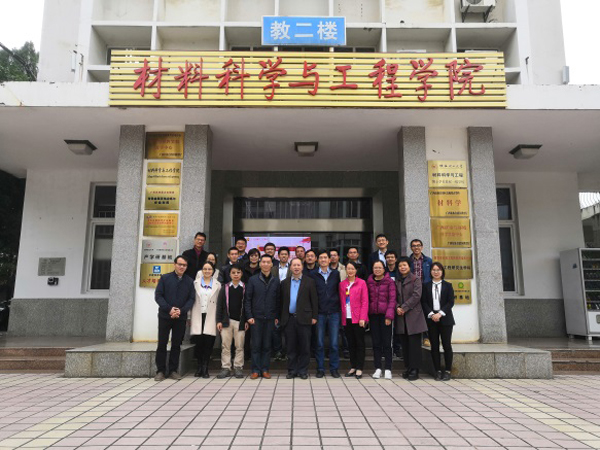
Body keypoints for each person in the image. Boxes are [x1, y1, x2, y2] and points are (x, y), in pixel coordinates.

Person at [154, 255, 195, 381]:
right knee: (162, 343)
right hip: (165, 316)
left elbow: (191, 299)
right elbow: (158, 296)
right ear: (175, 264)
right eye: (180, 264)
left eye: (184, 265)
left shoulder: (189, 281)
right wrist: (169, 309)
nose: (182, 267)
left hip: (180, 318)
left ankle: (173, 370)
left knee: (176, 344)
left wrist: (181, 311)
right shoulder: (165, 278)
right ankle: (160, 371)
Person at [280, 258, 318, 379]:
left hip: (305, 318)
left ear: (302, 267)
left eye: (298, 265)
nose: (296, 267)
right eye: (294, 265)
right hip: (289, 319)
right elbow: (281, 302)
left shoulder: (310, 282)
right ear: (290, 267)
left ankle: (303, 371)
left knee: (304, 347)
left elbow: (314, 300)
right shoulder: (284, 283)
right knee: (290, 347)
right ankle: (292, 370)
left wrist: (314, 316)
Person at [244, 255, 281, 379]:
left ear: (272, 265)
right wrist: (249, 316)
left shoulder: (276, 281)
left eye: (268, 262)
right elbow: (248, 299)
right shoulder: (253, 280)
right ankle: (255, 370)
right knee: (256, 345)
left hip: (270, 318)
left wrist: (276, 316)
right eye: (263, 262)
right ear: (260, 264)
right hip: (256, 318)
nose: (265, 264)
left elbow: (278, 300)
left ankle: (265, 369)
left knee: (267, 345)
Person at [421, 262, 455, 381]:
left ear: (442, 272)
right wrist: (431, 314)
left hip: (445, 319)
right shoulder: (426, 286)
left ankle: (448, 370)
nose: (436, 272)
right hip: (431, 319)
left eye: (438, 270)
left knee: (446, 345)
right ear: (430, 272)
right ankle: (437, 371)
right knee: (434, 346)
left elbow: (450, 302)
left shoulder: (448, 286)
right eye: (434, 270)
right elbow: (424, 302)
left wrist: (440, 313)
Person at [310, 250, 342, 378]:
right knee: (319, 343)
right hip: (320, 313)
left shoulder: (336, 274)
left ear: (329, 260)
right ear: (318, 260)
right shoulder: (313, 274)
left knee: (334, 343)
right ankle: (320, 369)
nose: (323, 260)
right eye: (321, 258)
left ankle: (334, 369)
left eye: (325, 258)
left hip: (334, 312)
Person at [395, 256, 427, 381]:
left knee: (414, 344)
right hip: (401, 316)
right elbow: (393, 296)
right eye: (400, 266)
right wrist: (397, 307)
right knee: (405, 344)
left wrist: (404, 307)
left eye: (404, 265)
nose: (402, 267)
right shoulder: (397, 280)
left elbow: (416, 296)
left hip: (414, 316)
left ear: (409, 266)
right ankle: (408, 367)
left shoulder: (416, 279)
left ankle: (415, 369)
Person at [216, 264, 248, 379]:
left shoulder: (245, 288)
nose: (236, 275)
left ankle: (238, 367)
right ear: (229, 274)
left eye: (238, 272)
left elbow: (247, 305)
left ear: (241, 274)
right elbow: (219, 305)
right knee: (225, 345)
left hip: (240, 322)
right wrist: (219, 320)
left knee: (239, 346)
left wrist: (246, 320)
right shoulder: (224, 288)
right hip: (226, 321)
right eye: (233, 273)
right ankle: (226, 367)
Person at [339, 261, 369, 379]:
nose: (350, 271)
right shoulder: (342, 284)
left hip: (358, 318)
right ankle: (353, 366)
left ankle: (359, 368)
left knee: (359, 343)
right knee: (350, 344)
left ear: (356, 270)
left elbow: (365, 301)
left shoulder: (362, 283)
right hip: (346, 318)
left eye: (352, 269)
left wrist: (363, 318)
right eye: (348, 268)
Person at [367, 260, 396, 380]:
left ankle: (388, 368)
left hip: (385, 316)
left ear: (384, 269)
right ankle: (378, 368)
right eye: (375, 268)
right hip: (373, 315)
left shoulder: (389, 282)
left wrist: (389, 316)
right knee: (376, 343)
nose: (377, 270)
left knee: (387, 343)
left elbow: (392, 299)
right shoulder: (369, 282)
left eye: (380, 268)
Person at [191, 261, 221, 378]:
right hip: (198, 315)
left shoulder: (218, 285)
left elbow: (220, 303)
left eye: (209, 269)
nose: (207, 271)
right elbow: (190, 300)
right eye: (205, 269)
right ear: (201, 270)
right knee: (199, 343)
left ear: (213, 271)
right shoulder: (195, 283)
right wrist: (188, 316)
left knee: (209, 343)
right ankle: (199, 367)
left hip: (211, 316)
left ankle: (205, 367)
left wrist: (219, 319)